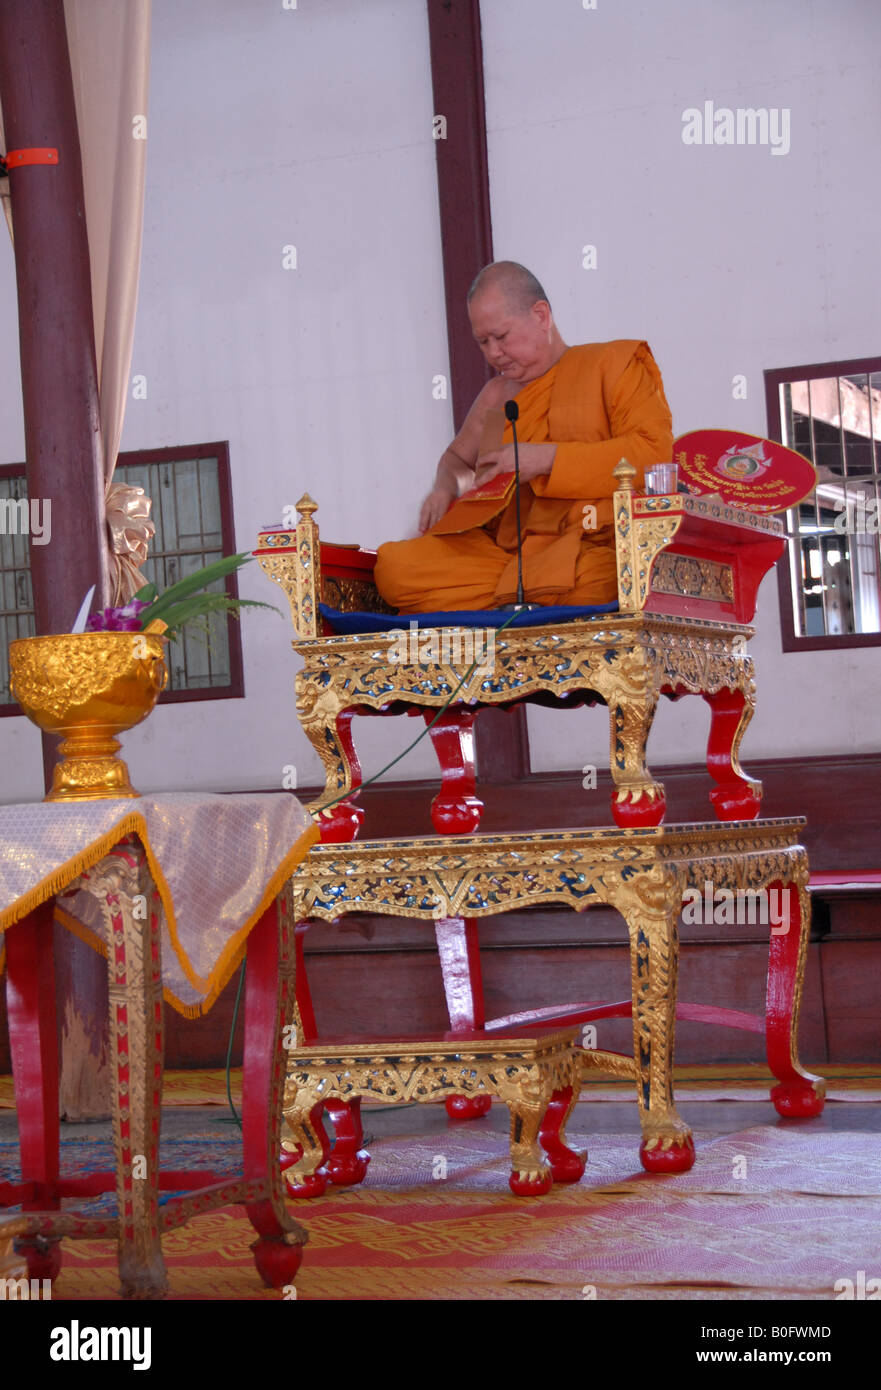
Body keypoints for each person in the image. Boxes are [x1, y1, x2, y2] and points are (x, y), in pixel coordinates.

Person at [373, 261, 673, 613]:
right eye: (482, 342)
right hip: (503, 557)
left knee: (608, 580)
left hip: (586, 549)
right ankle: (526, 595)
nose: (492, 353)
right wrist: (445, 487)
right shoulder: (497, 397)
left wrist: (543, 459)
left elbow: (651, 456)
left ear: (541, 315)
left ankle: (517, 597)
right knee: (395, 568)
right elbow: (460, 461)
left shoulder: (611, 365)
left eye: (501, 337)